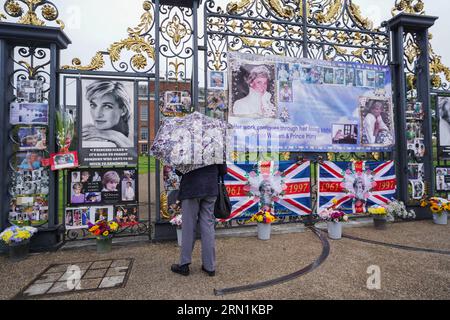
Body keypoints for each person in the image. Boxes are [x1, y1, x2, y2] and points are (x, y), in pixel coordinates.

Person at [171, 164, 228, 277]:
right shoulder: (216, 145)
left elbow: (178, 171)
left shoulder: (186, 146)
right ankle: (209, 266)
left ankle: (184, 264)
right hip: (210, 187)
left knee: (188, 226)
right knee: (208, 226)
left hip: (191, 188)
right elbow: (223, 170)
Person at [82, 80, 133, 148]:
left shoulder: (132, 128)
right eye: (93, 105)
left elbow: (132, 149)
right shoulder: (90, 131)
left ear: (123, 110)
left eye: (107, 106)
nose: (97, 115)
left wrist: (111, 135)